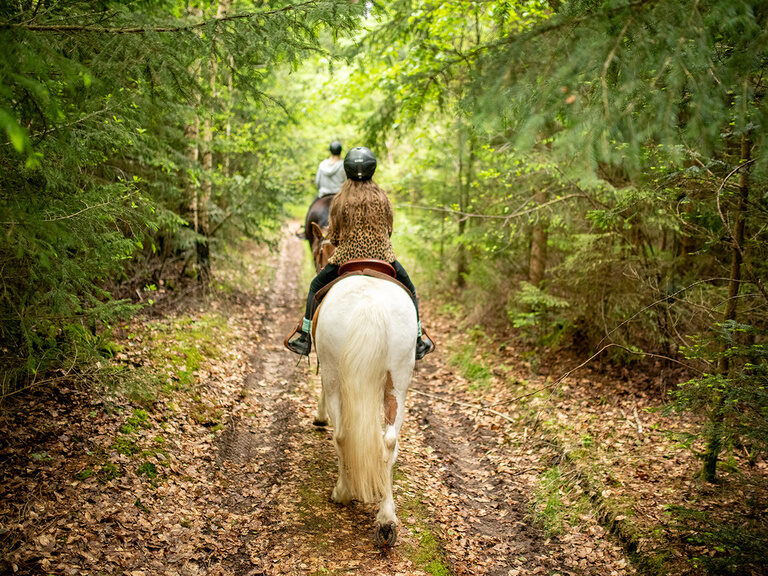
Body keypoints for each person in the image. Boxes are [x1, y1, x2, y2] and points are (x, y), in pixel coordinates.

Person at [286, 146, 435, 360]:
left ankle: (305, 337)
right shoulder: (383, 198)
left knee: (315, 286)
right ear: (372, 170)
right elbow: (389, 230)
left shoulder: (338, 200)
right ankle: (419, 338)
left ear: (346, 170)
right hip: (383, 258)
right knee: (410, 288)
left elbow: (335, 236)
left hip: (345, 259)